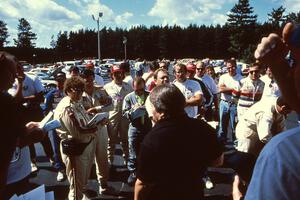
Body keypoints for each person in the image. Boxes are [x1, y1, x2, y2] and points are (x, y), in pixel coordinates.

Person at [235, 23, 300, 200]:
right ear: (282, 107)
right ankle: (238, 183)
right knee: (246, 160)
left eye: (294, 64)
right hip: (247, 130)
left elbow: (281, 133)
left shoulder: (283, 147)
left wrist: (278, 64)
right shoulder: (280, 149)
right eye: (293, 65)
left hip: (264, 134)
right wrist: (271, 148)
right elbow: (266, 136)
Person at [134, 84, 224, 200]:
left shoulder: (151, 140)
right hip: (193, 193)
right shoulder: (203, 128)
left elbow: (143, 183)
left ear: (159, 110)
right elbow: (218, 161)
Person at [0, 51, 45, 198]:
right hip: (8, 180)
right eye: (12, 72)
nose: (15, 76)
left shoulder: (6, 97)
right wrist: (31, 138)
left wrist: (25, 129)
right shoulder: (5, 101)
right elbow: (8, 143)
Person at [54, 76, 103, 200]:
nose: (81, 92)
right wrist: (99, 125)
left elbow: (83, 122)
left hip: (86, 146)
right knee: (76, 188)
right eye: (77, 89)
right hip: (76, 150)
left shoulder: (76, 101)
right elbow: (78, 133)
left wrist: (93, 118)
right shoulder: (67, 107)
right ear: (68, 90)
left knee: (83, 182)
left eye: (82, 89)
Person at [9, 61, 53, 173]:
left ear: (22, 69)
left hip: (35, 111)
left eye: (18, 69)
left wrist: (24, 99)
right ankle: (33, 161)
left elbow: (40, 97)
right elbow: (14, 98)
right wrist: (25, 98)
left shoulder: (33, 78)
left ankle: (51, 157)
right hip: (22, 112)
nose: (17, 72)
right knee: (27, 136)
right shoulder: (13, 82)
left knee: (43, 135)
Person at [80, 69, 114, 195]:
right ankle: (83, 187)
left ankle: (103, 184)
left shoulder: (100, 90)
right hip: (86, 130)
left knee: (102, 157)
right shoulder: (78, 93)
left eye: (90, 80)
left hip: (101, 128)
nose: (88, 83)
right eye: (85, 80)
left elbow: (111, 105)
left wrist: (97, 109)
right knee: (86, 159)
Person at [122, 77, 152, 186]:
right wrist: (133, 110)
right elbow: (124, 113)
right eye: (136, 90)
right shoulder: (129, 98)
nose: (139, 92)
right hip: (135, 127)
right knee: (133, 151)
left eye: (141, 90)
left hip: (148, 127)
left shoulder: (150, 96)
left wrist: (146, 108)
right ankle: (133, 172)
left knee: (148, 150)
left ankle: (147, 171)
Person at [104, 65, 133, 165]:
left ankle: (127, 157)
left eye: (120, 73)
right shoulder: (107, 87)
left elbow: (132, 101)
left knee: (125, 139)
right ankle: (110, 159)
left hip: (125, 117)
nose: (118, 75)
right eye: (115, 73)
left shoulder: (128, 87)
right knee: (111, 140)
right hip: (112, 117)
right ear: (112, 75)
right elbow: (104, 103)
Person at [43, 72, 67, 182]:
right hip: (57, 125)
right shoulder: (50, 95)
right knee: (57, 148)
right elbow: (46, 111)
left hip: (69, 124)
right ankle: (60, 169)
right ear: (56, 81)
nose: (61, 81)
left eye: (63, 79)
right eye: (59, 79)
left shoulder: (70, 92)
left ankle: (72, 166)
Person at [217, 59, 243, 144]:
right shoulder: (223, 77)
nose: (230, 69)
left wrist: (227, 89)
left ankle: (236, 145)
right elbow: (220, 89)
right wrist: (233, 90)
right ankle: (222, 144)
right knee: (222, 126)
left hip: (234, 104)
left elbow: (239, 93)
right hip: (223, 103)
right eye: (228, 68)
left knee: (235, 126)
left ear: (236, 67)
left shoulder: (241, 79)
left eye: (232, 67)